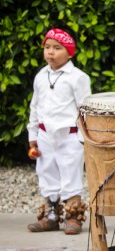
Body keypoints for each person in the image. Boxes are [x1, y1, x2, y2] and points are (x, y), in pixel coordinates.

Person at [26, 26, 92, 234]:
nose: (51, 52)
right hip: (45, 136)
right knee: (47, 173)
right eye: (47, 47)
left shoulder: (78, 77)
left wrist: (84, 139)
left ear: (70, 52)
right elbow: (35, 106)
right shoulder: (40, 77)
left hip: (70, 136)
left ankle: (73, 216)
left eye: (57, 48)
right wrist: (33, 134)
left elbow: (85, 109)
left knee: (70, 173)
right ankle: (52, 215)